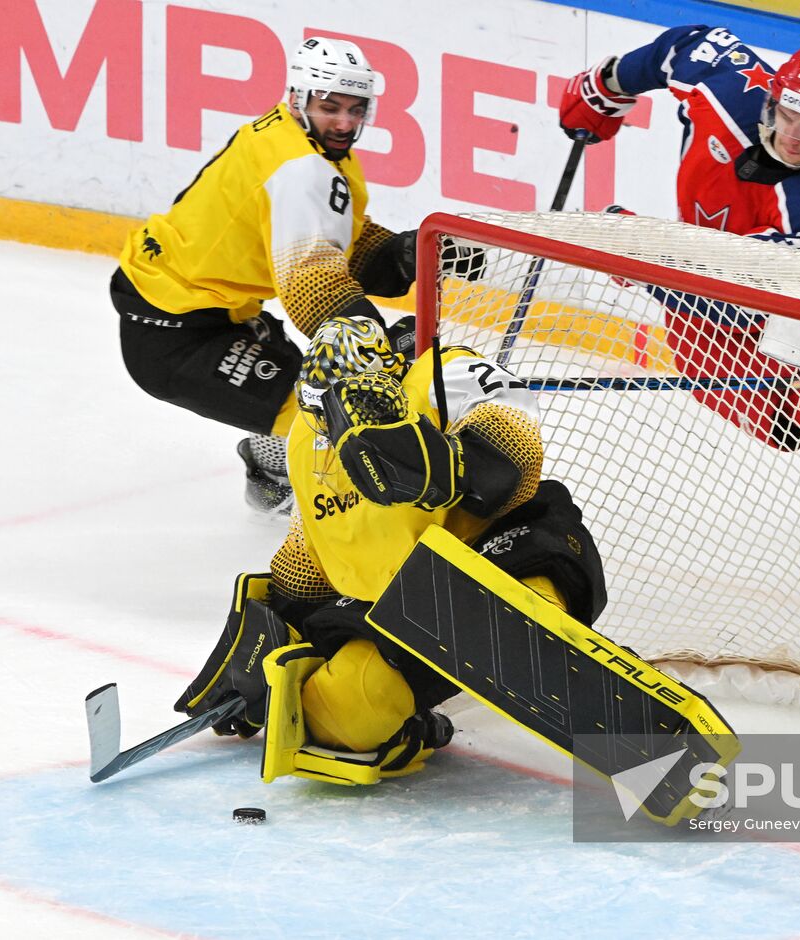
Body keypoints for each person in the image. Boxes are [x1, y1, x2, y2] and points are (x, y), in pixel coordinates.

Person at [558, 26, 800, 638]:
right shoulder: (727, 81)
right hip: (703, 337)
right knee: (784, 429)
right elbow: (674, 48)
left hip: (793, 323)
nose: (794, 136)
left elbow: (734, 292)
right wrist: (604, 88)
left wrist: (640, 253)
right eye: (786, 115)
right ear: (774, 97)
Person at [171, 317, 607, 782]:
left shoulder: (445, 373)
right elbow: (308, 557)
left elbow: (511, 463)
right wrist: (257, 648)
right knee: (329, 720)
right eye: (316, 413)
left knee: (521, 622)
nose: (327, 429)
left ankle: (564, 654)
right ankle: (413, 733)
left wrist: (423, 457)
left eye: (333, 412)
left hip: (494, 554)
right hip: (408, 610)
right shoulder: (306, 439)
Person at [109, 37, 419, 515]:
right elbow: (312, 285)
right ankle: (311, 516)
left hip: (212, 309)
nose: (344, 122)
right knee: (330, 416)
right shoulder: (299, 168)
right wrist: (375, 347)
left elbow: (330, 240)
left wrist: (401, 255)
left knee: (317, 397)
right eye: (330, 106)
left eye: (356, 109)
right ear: (299, 97)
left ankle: (272, 472)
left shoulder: (302, 139)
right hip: (174, 335)